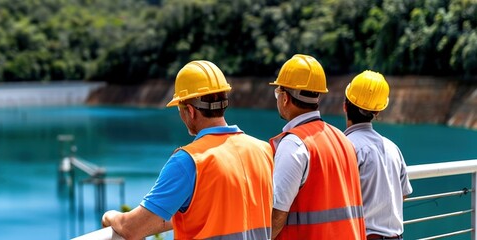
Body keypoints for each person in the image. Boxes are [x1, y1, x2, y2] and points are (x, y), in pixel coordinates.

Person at [101, 60, 274, 239]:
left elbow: (133, 228)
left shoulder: (189, 161)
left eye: (180, 109)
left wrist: (111, 216)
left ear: (190, 111)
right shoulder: (263, 150)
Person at [269, 54, 366, 239]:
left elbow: (276, 216)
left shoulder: (294, 144)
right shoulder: (343, 139)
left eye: (277, 92)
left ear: (284, 98)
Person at [343, 71, 413, 240]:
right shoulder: (393, 148)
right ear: (377, 113)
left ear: (345, 106)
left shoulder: (345, 147)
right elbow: (403, 193)